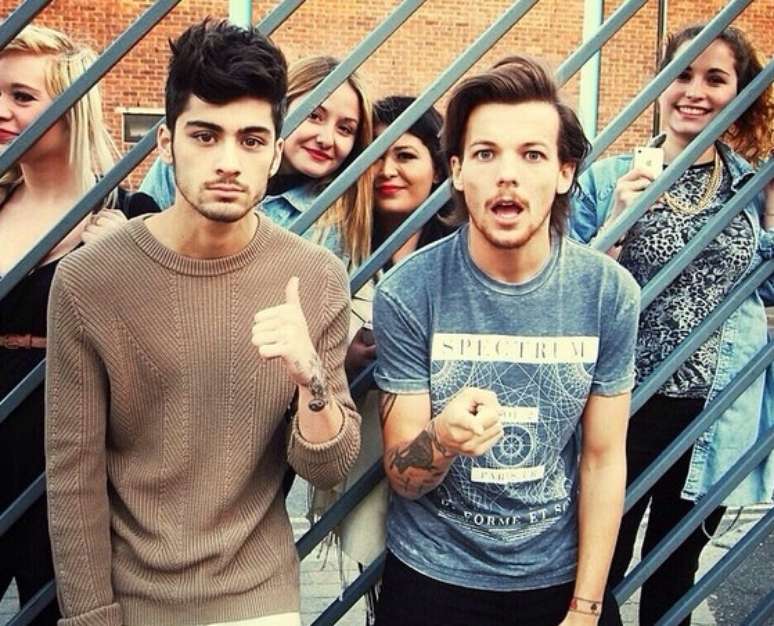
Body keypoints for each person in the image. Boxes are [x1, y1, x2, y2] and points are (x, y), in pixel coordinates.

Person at [44, 20, 360, 626]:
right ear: (166, 143)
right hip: (135, 601)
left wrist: (311, 379)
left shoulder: (313, 276)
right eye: (205, 135)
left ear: (275, 152)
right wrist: (90, 617)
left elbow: (328, 466)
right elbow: (72, 476)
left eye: (251, 140)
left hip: (259, 599)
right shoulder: (88, 281)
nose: (228, 162)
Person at [371, 55, 640, 626]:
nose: (507, 174)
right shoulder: (409, 292)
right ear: (457, 171)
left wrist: (586, 607)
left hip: (558, 579)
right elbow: (403, 476)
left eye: (532, 154)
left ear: (565, 172)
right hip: (433, 577)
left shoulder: (607, 293)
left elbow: (602, 459)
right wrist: (442, 438)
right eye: (486, 153)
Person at [570, 24, 774, 626]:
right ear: (660, 83)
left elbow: (765, 291)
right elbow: (568, 291)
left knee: (675, 571)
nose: (695, 91)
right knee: (597, 565)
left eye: (715, 78)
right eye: (682, 74)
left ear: (739, 93)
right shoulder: (607, 178)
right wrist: (618, 219)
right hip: (622, 405)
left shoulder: (751, 185)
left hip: (714, 411)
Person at [0, 25, 157, 625]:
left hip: (66, 452)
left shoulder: (129, 216)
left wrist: (123, 265)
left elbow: (155, 354)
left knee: (54, 606)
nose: (2, 110)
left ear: (72, 107)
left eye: (22, 96)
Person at [140, 55, 374, 272]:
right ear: (280, 110)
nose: (326, 139)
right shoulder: (184, 163)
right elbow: (141, 247)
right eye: (314, 116)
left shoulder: (338, 219)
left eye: (345, 129)